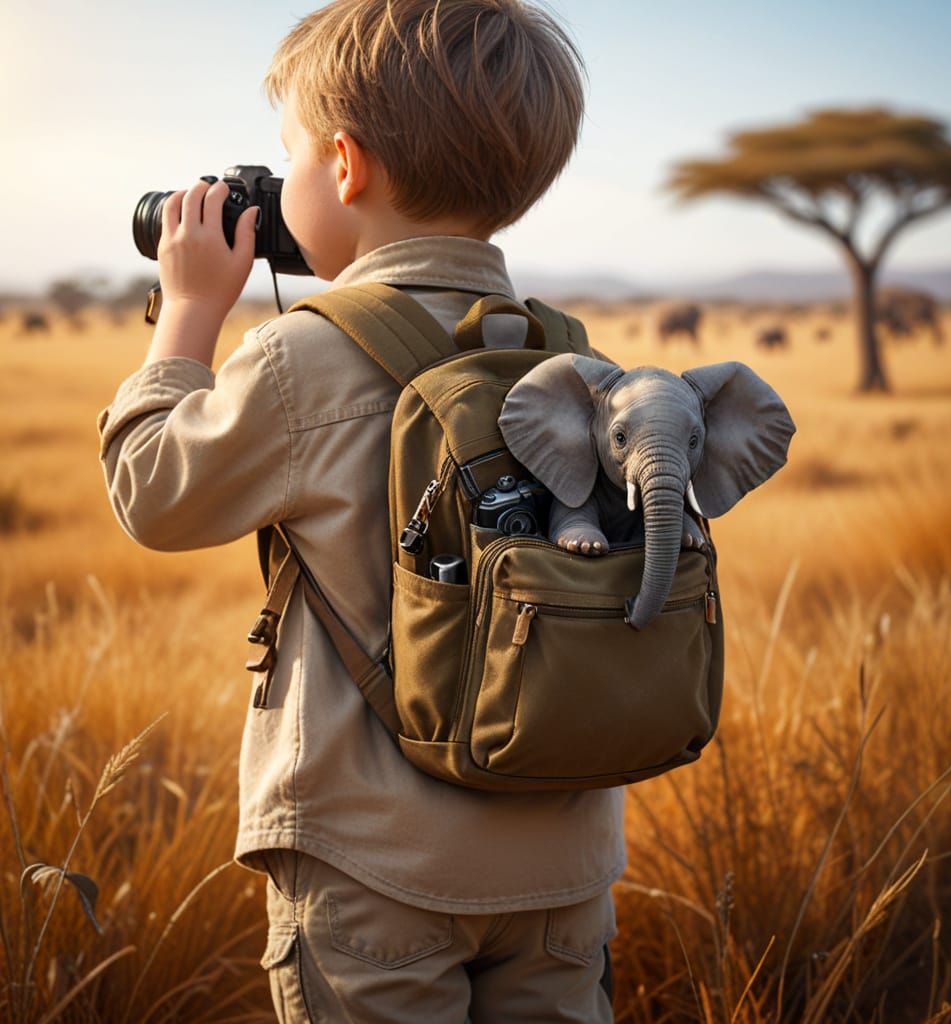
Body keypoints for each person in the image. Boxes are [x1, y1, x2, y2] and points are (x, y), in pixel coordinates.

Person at [97, 2, 624, 1020]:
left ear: (343, 166)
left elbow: (153, 494)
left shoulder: (307, 355)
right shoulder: (572, 357)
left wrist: (194, 312)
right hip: (564, 861)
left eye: (287, 156)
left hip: (373, 862)